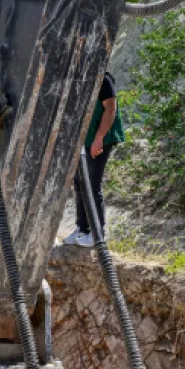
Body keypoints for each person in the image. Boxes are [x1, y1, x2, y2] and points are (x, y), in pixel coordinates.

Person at [65, 71, 125, 248]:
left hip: (101, 139)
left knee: (92, 184)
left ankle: (97, 233)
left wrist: (99, 138)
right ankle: (81, 228)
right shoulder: (79, 75)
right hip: (85, 138)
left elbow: (110, 109)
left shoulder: (103, 78)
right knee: (79, 183)